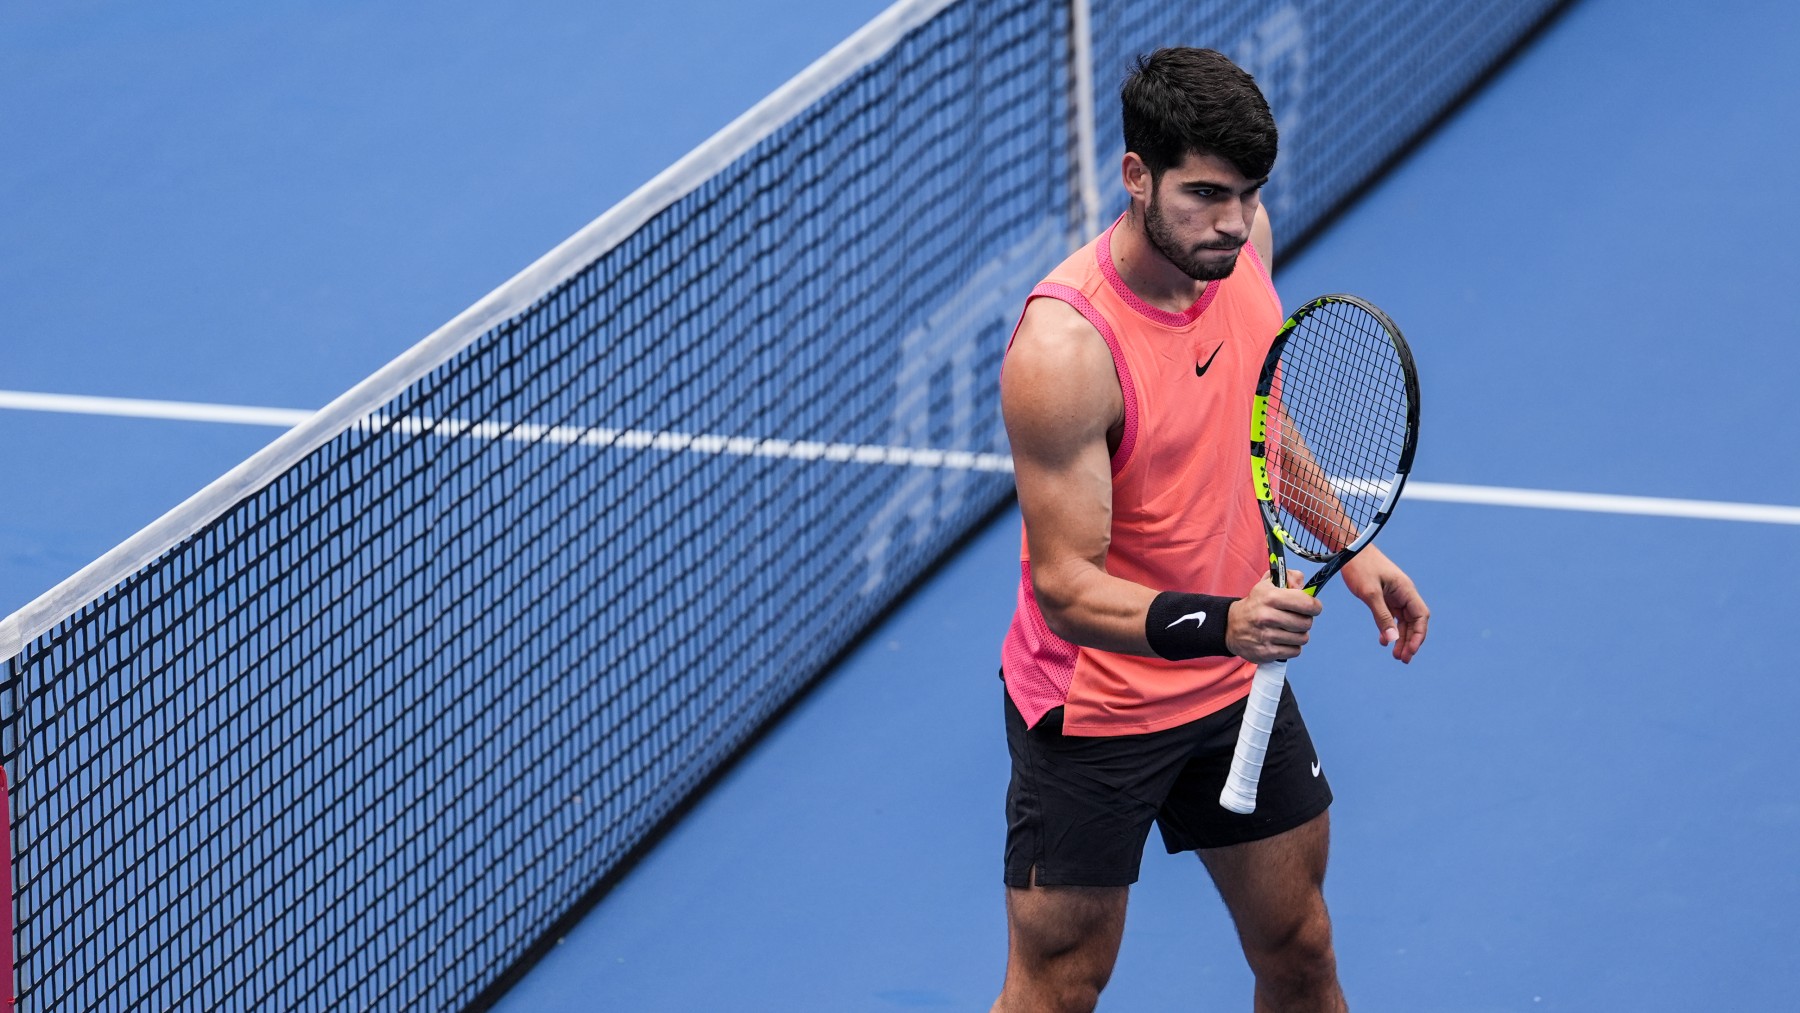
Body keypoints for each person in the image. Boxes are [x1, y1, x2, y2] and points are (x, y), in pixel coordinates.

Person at [993, 47, 1429, 1012]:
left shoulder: (1242, 246)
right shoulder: (1065, 352)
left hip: (1231, 683)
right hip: (1097, 708)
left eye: (1247, 193)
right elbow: (1065, 589)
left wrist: (1350, 546)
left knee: (1300, 946)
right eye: (1204, 194)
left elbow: (1258, 416)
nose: (1231, 221)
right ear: (1135, 175)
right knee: (1060, 984)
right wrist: (1228, 623)